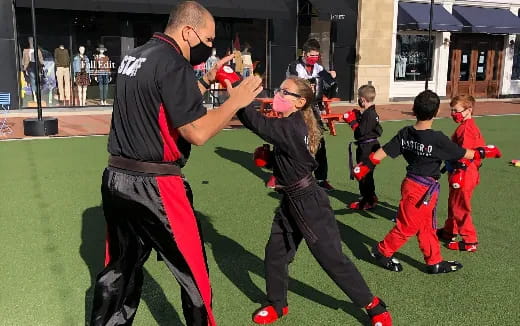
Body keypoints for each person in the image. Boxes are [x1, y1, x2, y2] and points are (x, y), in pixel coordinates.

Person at [89, 2, 263, 326]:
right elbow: (195, 131)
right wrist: (236, 102)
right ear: (188, 31)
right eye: (208, 40)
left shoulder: (136, 56)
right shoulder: (173, 63)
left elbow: (162, 105)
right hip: (156, 185)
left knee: (119, 271)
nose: (210, 47)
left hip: (116, 179)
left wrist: (206, 80)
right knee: (193, 275)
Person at [237, 77, 392, 326]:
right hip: (291, 199)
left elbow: (254, 121)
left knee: (331, 258)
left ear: (300, 102)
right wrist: (272, 161)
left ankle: (373, 306)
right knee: (276, 254)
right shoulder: (293, 123)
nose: (278, 94)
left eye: (284, 92)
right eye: (279, 89)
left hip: (310, 203)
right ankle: (278, 304)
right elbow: (295, 158)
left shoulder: (291, 127)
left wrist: (235, 87)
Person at [352, 90, 501, 274]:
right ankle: (382, 251)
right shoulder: (438, 139)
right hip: (421, 189)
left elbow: (381, 153)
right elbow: (467, 154)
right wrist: (488, 151)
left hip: (415, 185)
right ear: (437, 112)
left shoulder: (405, 133)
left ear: (414, 110)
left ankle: (434, 261)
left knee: (427, 225)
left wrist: (364, 167)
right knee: (407, 226)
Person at [285, 38, 337, 191]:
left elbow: (330, 85)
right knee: (291, 140)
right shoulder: (294, 66)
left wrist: (331, 78)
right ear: (304, 54)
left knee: (319, 142)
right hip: (295, 108)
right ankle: (280, 174)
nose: (314, 58)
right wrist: (313, 81)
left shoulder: (319, 68)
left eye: (316, 55)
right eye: (311, 55)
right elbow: (295, 83)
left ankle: (321, 178)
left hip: (313, 108)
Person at [437, 95, 485, 252]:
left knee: (460, 206)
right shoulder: (466, 126)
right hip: (462, 171)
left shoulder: (467, 129)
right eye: (451, 110)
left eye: (456, 110)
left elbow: (465, 154)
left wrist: (459, 172)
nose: (453, 114)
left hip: (464, 172)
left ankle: (470, 240)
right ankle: (450, 231)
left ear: (468, 110)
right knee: (454, 202)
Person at [343, 84, 383, 210]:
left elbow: (359, 133)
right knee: (367, 174)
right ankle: (370, 196)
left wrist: (352, 121)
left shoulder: (369, 115)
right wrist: (358, 116)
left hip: (367, 147)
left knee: (363, 174)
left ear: (362, 99)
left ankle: (368, 200)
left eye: (359, 99)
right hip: (370, 146)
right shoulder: (370, 113)